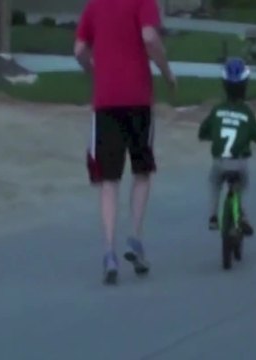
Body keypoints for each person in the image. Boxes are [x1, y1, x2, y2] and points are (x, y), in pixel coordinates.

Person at [74, 0, 176, 285]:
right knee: (142, 171)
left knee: (109, 179)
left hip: (106, 102)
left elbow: (79, 50)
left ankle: (109, 252)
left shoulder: (95, 5)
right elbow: (150, 37)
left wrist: (95, 71)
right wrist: (167, 73)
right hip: (138, 100)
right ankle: (135, 238)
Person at [198, 57, 256, 236]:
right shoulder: (247, 112)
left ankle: (213, 216)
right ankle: (242, 215)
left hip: (220, 162)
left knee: (214, 183)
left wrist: (207, 136)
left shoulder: (217, 110)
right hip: (239, 163)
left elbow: (203, 131)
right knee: (243, 184)